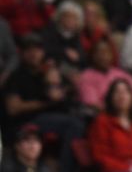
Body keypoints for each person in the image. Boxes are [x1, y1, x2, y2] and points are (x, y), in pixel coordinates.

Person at [2, 34, 85, 170]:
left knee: (80, 120)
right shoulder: (17, 76)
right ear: (22, 53)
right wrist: (46, 103)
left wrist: (56, 81)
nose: (34, 54)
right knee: (74, 124)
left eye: (37, 50)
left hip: (48, 119)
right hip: (25, 122)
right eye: (28, 50)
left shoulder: (47, 72)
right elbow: (13, 108)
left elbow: (70, 86)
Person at [87, 78, 132, 172]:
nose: (121, 95)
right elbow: (101, 156)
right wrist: (129, 170)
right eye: (117, 92)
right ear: (110, 98)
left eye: (126, 91)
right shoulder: (102, 122)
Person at [77, 39, 132, 115]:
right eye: (100, 53)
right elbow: (93, 105)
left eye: (106, 52)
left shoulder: (121, 74)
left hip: (129, 116)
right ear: (92, 56)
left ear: (112, 55)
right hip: (103, 117)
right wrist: (120, 116)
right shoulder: (86, 77)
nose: (103, 56)